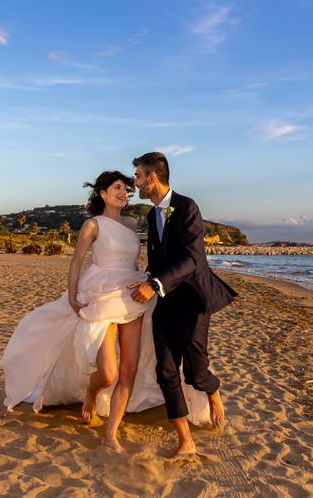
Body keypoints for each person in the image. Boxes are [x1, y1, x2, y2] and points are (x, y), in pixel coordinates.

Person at [1, 171, 209, 453]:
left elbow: (153, 253)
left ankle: (111, 433)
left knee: (130, 368)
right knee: (108, 372)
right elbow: (75, 263)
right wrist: (73, 298)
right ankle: (90, 392)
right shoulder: (92, 225)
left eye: (126, 188)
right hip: (102, 294)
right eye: (117, 188)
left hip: (131, 294)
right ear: (103, 194)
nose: (124, 192)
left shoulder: (132, 221)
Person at [128, 152, 237, 458]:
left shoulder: (187, 207)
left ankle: (213, 390)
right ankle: (185, 441)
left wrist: (154, 284)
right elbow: (159, 260)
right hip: (164, 301)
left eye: (137, 176)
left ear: (152, 177)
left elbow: (192, 260)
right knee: (165, 372)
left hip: (191, 301)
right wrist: (147, 278)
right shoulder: (151, 216)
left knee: (195, 375)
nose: (134, 182)